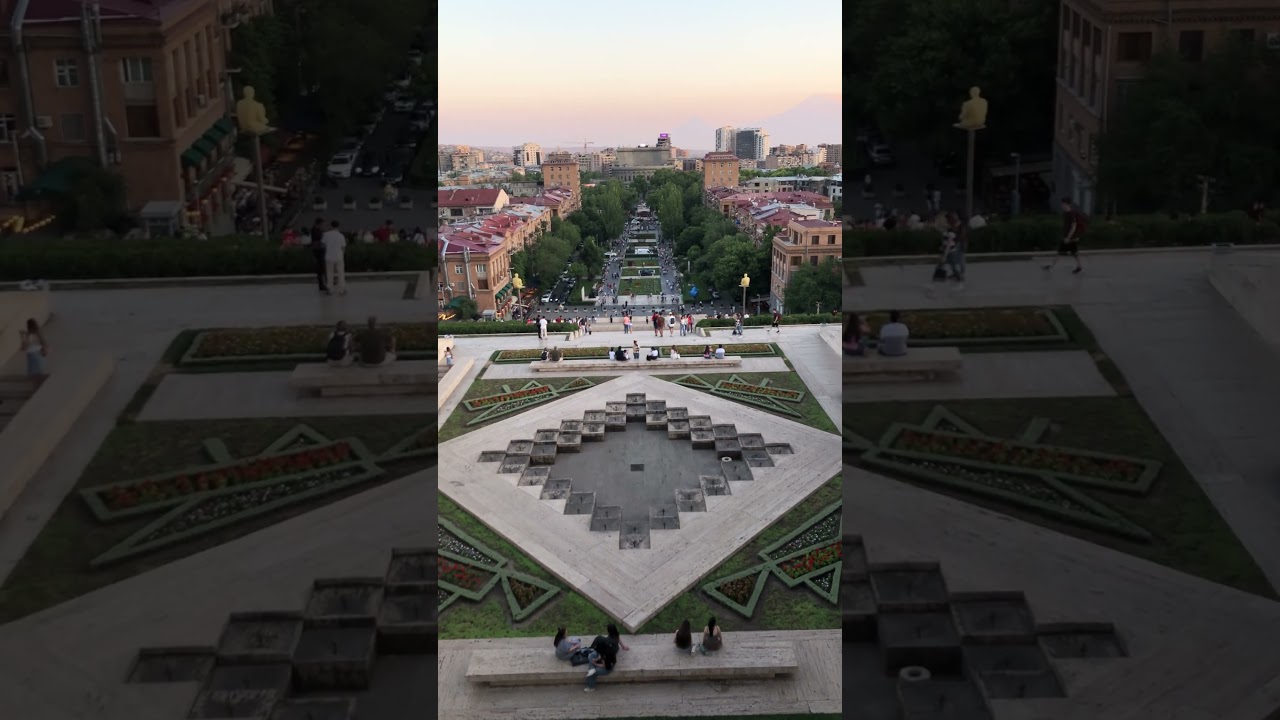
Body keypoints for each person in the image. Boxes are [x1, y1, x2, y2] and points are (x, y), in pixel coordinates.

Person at [1045, 197, 1085, 274]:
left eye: (1063, 204)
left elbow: (1074, 226)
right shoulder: (1065, 213)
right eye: (1062, 204)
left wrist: (1068, 238)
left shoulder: (1071, 213)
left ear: (1067, 204)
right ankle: (1079, 266)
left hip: (1069, 237)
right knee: (1074, 252)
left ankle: (1051, 266)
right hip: (1069, 237)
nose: (1062, 206)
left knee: (1060, 251)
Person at [19, 318, 48, 388]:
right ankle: (38, 388)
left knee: (35, 375)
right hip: (38, 355)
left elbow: (24, 347)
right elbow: (44, 344)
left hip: (33, 355)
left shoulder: (29, 335)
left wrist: (22, 337)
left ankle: (36, 388)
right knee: (38, 374)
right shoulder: (38, 333)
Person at [321, 220, 347, 295]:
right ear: (338, 226)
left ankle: (329, 289)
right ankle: (342, 289)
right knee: (340, 273)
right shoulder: (341, 235)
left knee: (329, 273)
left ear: (331, 226)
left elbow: (323, 245)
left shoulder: (326, 234)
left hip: (329, 256)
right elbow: (343, 247)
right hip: (339, 256)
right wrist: (342, 255)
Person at [309, 217, 327, 293]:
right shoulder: (315, 230)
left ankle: (323, 284)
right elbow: (317, 240)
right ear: (319, 223)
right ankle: (324, 284)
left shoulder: (318, 230)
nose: (323, 225)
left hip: (319, 250)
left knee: (321, 268)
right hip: (318, 251)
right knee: (321, 268)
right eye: (322, 223)